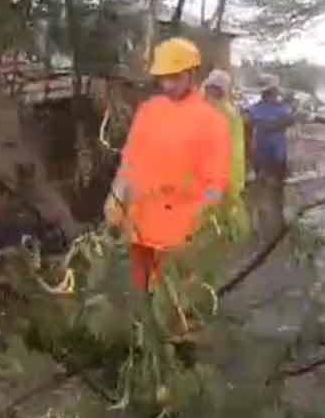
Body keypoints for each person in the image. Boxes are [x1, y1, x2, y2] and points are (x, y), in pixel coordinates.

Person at [104, 38, 230, 291]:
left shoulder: (211, 120)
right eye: (163, 78)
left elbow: (215, 181)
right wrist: (116, 196)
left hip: (180, 232)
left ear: (192, 73)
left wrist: (203, 220)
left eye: (175, 77)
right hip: (139, 223)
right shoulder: (149, 110)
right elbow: (130, 159)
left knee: (173, 303)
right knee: (139, 297)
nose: (168, 84)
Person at [203, 69, 251, 240]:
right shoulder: (211, 110)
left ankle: (230, 236)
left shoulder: (225, 113)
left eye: (213, 88)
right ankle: (224, 236)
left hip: (222, 171)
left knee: (220, 205)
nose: (209, 92)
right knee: (212, 207)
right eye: (209, 87)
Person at [245, 75, 295, 234]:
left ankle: (264, 226)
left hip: (263, 156)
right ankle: (273, 226)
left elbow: (250, 124)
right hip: (273, 157)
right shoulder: (283, 109)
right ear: (273, 90)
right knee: (274, 192)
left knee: (266, 191)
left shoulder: (253, 110)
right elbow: (287, 121)